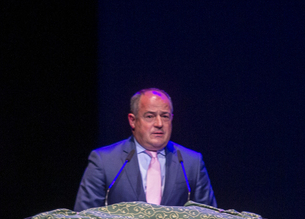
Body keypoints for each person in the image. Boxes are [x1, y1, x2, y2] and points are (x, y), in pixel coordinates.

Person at [74, 88, 217, 211]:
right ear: (133, 120)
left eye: (165, 116)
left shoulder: (191, 163)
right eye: (150, 116)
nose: (159, 124)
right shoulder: (104, 161)